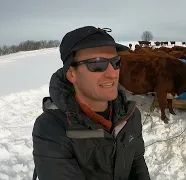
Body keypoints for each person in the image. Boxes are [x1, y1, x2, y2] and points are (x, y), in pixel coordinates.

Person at [32, 26, 151, 180]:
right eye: (97, 64)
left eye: (116, 62)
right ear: (71, 74)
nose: (112, 74)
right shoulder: (52, 129)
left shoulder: (131, 115)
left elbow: (136, 163)